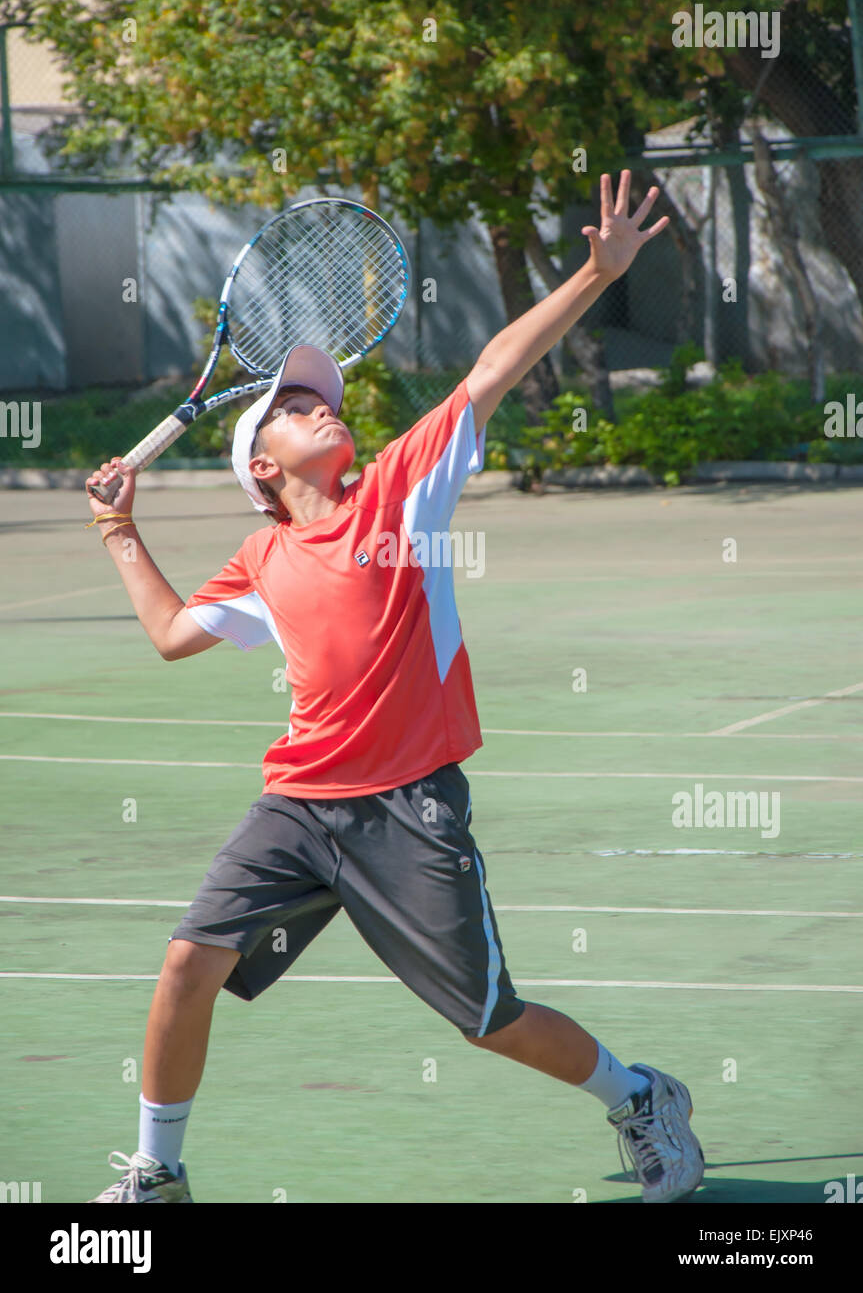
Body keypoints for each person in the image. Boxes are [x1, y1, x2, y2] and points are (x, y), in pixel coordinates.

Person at [85, 171, 703, 1204]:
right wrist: (117, 528)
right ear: (263, 469)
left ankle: (639, 1096)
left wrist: (594, 276)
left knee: (486, 1018)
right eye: (291, 407)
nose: (319, 408)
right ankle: (158, 1172)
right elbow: (166, 633)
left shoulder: (401, 489)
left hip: (408, 805)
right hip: (298, 804)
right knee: (189, 962)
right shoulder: (258, 557)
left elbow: (493, 367)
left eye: (320, 399)